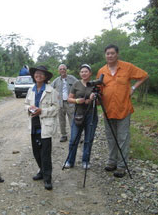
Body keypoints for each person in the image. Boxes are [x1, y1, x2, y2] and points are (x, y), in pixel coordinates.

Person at [97, 44, 148, 178]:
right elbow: (99, 89)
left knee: (123, 138)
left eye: (112, 53)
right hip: (108, 110)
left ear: (117, 54)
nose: (110, 55)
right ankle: (112, 161)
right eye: (107, 53)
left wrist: (133, 88)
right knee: (110, 138)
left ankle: (121, 166)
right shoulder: (102, 71)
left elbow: (144, 75)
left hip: (123, 109)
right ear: (105, 55)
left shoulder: (127, 67)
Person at [25, 65, 59, 190]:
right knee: (36, 152)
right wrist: (29, 108)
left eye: (41, 74)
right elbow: (26, 104)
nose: (38, 75)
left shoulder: (51, 91)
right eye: (36, 73)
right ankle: (41, 171)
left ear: (45, 77)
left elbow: (56, 108)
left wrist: (42, 111)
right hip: (34, 124)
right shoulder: (31, 90)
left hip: (45, 125)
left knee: (45, 153)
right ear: (34, 76)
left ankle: (47, 178)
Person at [63, 64, 98, 169]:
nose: (84, 73)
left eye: (86, 71)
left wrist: (93, 99)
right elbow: (69, 99)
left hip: (91, 115)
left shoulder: (94, 84)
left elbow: (100, 102)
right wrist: (77, 100)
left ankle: (85, 161)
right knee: (74, 139)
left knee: (88, 139)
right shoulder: (76, 84)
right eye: (82, 72)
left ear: (90, 73)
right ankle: (70, 161)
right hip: (78, 114)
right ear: (79, 73)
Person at [51, 64, 77, 142]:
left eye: (64, 69)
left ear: (66, 70)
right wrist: (55, 97)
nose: (62, 70)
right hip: (60, 103)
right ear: (58, 71)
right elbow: (50, 89)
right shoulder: (56, 80)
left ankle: (75, 135)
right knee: (61, 120)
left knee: (72, 119)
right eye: (61, 69)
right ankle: (63, 135)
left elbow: (79, 86)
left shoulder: (72, 78)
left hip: (70, 103)